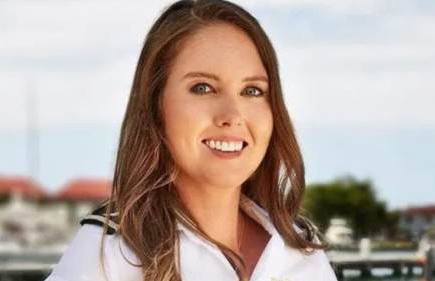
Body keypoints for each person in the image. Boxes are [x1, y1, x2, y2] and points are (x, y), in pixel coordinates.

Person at [44, 0, 338, 280]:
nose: (232, 115)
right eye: (203, 88)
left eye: (252, 91)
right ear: (156, 105)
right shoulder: (109, 252)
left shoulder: (301, 249)